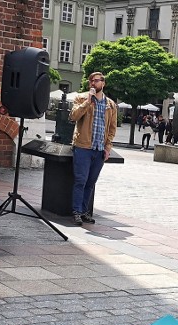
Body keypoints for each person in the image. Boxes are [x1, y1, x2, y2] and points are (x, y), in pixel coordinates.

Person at [69, 71, 117, 226]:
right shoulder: (81, 98)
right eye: (91, 81)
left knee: (90, 182)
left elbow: (112, 128)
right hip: (83, 146)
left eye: (96, 81)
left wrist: (108, 147)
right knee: (80, 180)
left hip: (99, 149)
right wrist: (87, 101)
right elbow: (73, 116)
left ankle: (84, 212)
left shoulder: (110, 104)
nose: (93, 83)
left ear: (103, 83)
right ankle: (76, 212)